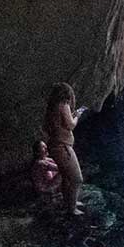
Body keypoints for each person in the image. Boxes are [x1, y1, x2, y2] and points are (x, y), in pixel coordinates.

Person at [44, 82, 85, 216]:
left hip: (56, 145)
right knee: (76, 178)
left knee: (66, 177)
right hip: (62, 147)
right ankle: (72, 209)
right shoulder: (64, 105)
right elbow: (71, 125)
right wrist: (77, 115)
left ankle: (70, 202)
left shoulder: (52, 108)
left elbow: (49, 126)